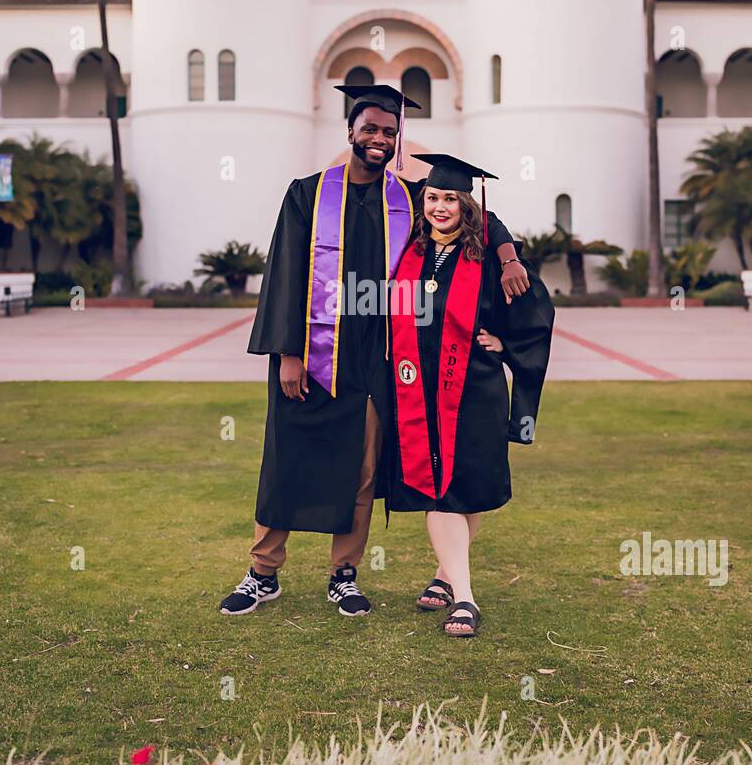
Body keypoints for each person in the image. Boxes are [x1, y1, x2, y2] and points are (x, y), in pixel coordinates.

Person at [218, 86, 529, 619]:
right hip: (311, 354)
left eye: (389, 131)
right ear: (351, 133)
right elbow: (285, 273)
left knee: (361, 470)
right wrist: (287, 351)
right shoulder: (307, 194)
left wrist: (507, 257)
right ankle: (263, 572)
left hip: (378, 358)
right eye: (371, 129)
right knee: (286, 460)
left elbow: (476, 216)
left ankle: (345, 573)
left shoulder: (410, 196)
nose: (380, 139)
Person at [386, 153, 554, 638]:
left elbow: (535, 310)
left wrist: (507, 346)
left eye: (451, 199)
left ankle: (445, 576)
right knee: (440, 489)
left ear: (466, 205)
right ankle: (463, 596)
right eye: (433, 197)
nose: (440, 207)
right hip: (419, 389)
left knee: (469, 486)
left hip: (473, 388)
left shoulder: (486, 255)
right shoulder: (408, 251)